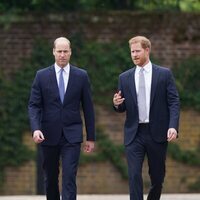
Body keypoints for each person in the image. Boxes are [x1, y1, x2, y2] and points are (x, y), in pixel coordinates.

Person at [113, 36, 180, 200]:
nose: (134, 55)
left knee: (157, 177)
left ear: (147, 50)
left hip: (157, 132)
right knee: (134, 174)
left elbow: (174, 101)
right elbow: (122, 107)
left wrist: (173, 126)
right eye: (132, 52)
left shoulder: (164, 74)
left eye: (137, 51)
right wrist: (116, 104)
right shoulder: (124, 77)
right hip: (134, 133)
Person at [28, 37, 95, 200]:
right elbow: (34, 105)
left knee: (69, 176)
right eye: (59, 51)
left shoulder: (81, 76)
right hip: (48, 134)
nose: (62, 55)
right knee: (50, 178)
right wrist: (36, 128)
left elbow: (88, 108)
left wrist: (91, 138)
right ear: (53, 52)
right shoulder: (41, 76)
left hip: (72, 135)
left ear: (70, 52)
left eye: (66, 51)